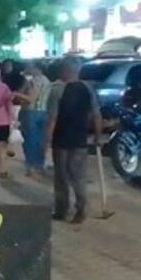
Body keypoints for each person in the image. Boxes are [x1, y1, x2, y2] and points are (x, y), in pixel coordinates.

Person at [43, 56, 102, 224]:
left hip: (61, 140)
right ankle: (81, 209)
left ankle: (62, 210)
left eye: (61, 68)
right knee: (78, 177)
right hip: (80, 140)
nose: (60, 71)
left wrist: (45, 141)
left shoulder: (57, 90)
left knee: (61, 177)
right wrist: (97, 137)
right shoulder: (87, 89)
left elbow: (52, 118)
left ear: (66, 71)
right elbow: (97, 115)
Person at [16, 60, 54, 177]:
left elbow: (30, 98)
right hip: (43, 111)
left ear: (36, 68)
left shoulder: (34, 81)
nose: (27, 68)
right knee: (40, 139)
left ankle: (31, 166)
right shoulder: (47, 81)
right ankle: (40, 164)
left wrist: (16, 94)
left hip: (31, 112)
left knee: (29, 140)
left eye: (29, 66)